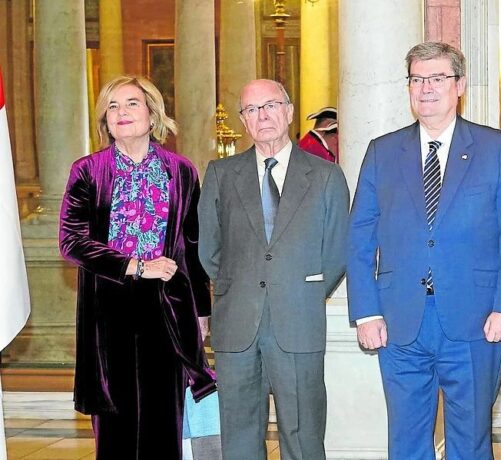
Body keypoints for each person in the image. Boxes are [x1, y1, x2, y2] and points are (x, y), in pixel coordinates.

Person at [347, 41, 501, 459]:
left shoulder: (495, 148)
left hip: (476, 320)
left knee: (470, 441)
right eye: (417, 79)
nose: (426, 88)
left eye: (437, 78)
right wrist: (366, 311)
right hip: (399, 321)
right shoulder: (382, 151)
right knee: (406, 442)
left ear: (459, 85)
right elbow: (359, 236)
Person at [58, 75, 215, 459]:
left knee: (165, 423)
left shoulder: (181, 171)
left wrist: (201, 310)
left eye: (131, 103)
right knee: (116, 428)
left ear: (152, 114)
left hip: (168, 310)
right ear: (105, 120)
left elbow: (192, 246)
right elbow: (71, 241)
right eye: (112, 106)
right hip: (108, 311)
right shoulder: (87, 171)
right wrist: (136, 265)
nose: (121, 112)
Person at [198, 79, 350, 460]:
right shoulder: (220, 174)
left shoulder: (326, 176)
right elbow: (209, 249)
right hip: (237, 325)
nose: (262, 115)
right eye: (252, 109)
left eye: (270, 105)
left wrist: (299, 289)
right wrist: (241, 285)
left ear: (289, 112)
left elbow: (336, 251)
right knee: (239, 439)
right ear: (243, 121)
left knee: (303, 437)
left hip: (298, 321)